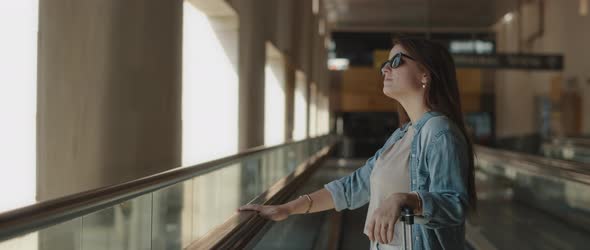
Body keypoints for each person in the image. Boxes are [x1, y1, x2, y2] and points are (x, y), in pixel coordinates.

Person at [238, 37, 476, 250]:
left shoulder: (439, 131)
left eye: (396, 61)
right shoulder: (402, 135)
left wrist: (405, 199)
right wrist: (287, 209)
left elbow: (454, 205)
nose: (385, 68)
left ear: (425, 74)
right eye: (385, 62)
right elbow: (353, 187)